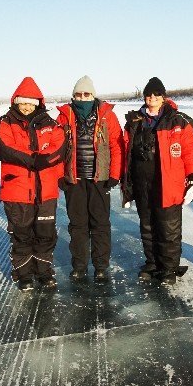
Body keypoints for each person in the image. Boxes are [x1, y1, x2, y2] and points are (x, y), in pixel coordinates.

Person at [122, 77, 193, 285]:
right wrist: (127, 185)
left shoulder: (179, 121)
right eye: (148, 94)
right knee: (147, 227)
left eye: (156, 94)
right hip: (142, 183)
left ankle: (168, 268)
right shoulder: (134, 122)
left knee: (168, 228)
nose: (152, 98)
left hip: (169, 183)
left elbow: (191, 153)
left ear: (163, 97)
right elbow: (126, 154)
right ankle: (152, 263)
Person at [0, 77, 67, 291]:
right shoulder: (5, 123)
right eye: (23, 102)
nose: (26, 107)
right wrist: (34, 159)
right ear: (15, 102)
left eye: (30, 103)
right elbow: (5, 149)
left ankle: (43, 271)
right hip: (17, 192)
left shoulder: (51, 124)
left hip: (46, 192)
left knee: (45, 234)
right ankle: (24, 274)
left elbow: (58, 148)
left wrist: (43, 159)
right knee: (21, 234)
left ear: (38, 103)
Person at [56, 76, 124, 282]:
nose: (82, 98)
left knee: (100, 224)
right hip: (74, 180)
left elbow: (116, 146)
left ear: (93, 95)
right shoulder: (64, 116)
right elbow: (57, 148)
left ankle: (101, 266)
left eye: (86, 94)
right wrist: (61, 175)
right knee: (78, 225)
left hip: (99, 179)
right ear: (73, 96)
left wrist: (114, 174)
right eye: (78, 94)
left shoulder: (106, 116)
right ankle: (79, 265)